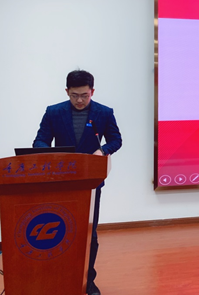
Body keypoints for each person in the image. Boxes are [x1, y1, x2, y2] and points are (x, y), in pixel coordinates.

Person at [33, 70, 122, 295]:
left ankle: (88, 280)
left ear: (92, 91)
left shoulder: (104, 112)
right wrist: (51, 155)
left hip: (90, 182)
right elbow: (40, 140)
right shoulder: (54, 112)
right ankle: (60, 277)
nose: (79, 100)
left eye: (84, 95)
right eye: (74, 95)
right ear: (67, 92)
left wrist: (103, 150)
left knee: (89, 233)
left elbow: (116, 140)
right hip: (60, 182)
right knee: (60, 231)